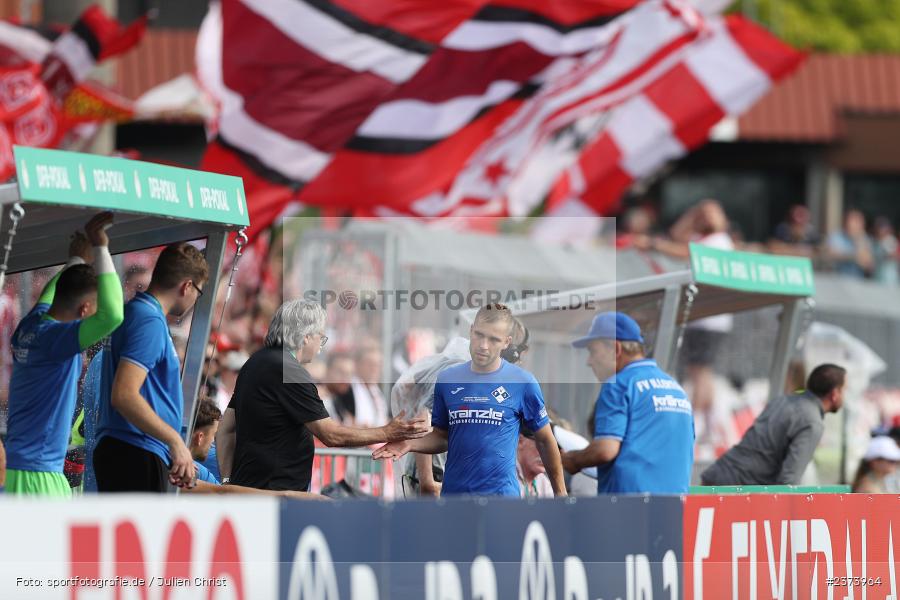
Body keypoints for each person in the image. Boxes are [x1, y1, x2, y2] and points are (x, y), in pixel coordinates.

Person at [216, 299, 431, 492]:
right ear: (306, 337)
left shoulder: (254, 362)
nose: (321, 345)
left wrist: (227, 484)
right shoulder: (289, 371)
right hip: (277, 493)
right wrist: (387, 432)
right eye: (321, 337)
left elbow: (226, 429)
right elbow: (331, 435)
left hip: (249, 489)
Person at [374, 304, 567, 498]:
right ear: (471, 330)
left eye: (493, 339)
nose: (484, 345)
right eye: (479, 335)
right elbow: (441, 436)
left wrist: (561, 494)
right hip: (454, 499)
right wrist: (409, 444)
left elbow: (545, 439)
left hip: (501, 500)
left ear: (506, 342)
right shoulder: (448, 378)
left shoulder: (523, 382)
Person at [4, 213, 123, 497]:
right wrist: (101, 247)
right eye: (93, 311)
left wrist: (77, 260)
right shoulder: (57, 339)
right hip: (39, 478)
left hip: (18, 469)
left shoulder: (31, 325)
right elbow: (113, 315)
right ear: (84, 310)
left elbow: (50, 293)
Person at [94, 242, 209, 493]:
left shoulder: (141, 313)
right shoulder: (148, 319)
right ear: (186, 286)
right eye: (199, 292)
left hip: (134, 450)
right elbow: (124, 395)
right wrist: (174, 440)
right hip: (133, 452)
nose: (195, 299)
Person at [560, 312, 695, 494]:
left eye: (593, 351)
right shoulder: (676, 389)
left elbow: (605, 450)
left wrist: (573, 460)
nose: (589, 361)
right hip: (675, 504)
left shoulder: (619, 384)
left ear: (616, 349)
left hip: (630, 504)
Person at [701, 364, 846, 486]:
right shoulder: (813, 423)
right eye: (844, 390)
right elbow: (788, 481)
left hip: (717, 475)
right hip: (737, 490)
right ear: (834, 394)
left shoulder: (782, 400)